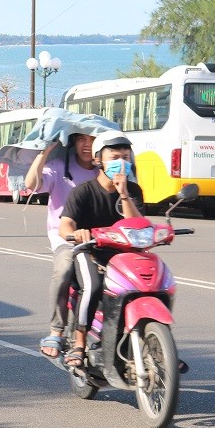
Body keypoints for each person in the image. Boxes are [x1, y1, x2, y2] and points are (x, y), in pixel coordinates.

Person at [58, 131, 145, 368]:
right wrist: (76, 233)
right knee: (93, 286)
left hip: (125, 254)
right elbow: (65, 223)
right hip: (90, 252)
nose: (122, 163)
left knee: (151, 284)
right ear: (98, 160)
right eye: (115, 157)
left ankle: (154, 343)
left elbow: (137, 225)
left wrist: (123, 193)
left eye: (126, 157)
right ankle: (79, 342)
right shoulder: (83, 191)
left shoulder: (133, 191)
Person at [24, 132, 98, 358]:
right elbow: (31, 185)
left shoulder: (105, 168)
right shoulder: (57, 167)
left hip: (100, 237)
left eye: (93, 139)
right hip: (65, 237)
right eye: (81, 139)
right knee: (64, 270)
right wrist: (44, 153)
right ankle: (56, 330)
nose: (87, 145)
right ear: (73, 143)